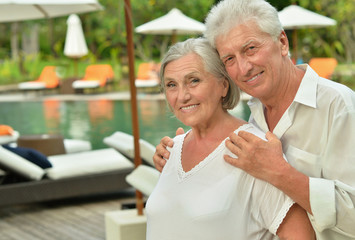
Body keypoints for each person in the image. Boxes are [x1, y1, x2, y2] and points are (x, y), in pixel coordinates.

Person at [153, 0, 355, 239]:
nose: (243, 67)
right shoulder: (255, 114)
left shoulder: (338, 104)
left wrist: (279, 172)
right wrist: (183, 159)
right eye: (229, 59)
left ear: (282, 43)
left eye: (250, 49)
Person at [146, 37, 315, 240]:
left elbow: (300, 235)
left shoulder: (251, 150)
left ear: (223, 86)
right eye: (171, 85)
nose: (182, 96)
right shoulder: (171, 150)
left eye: (194, 81)